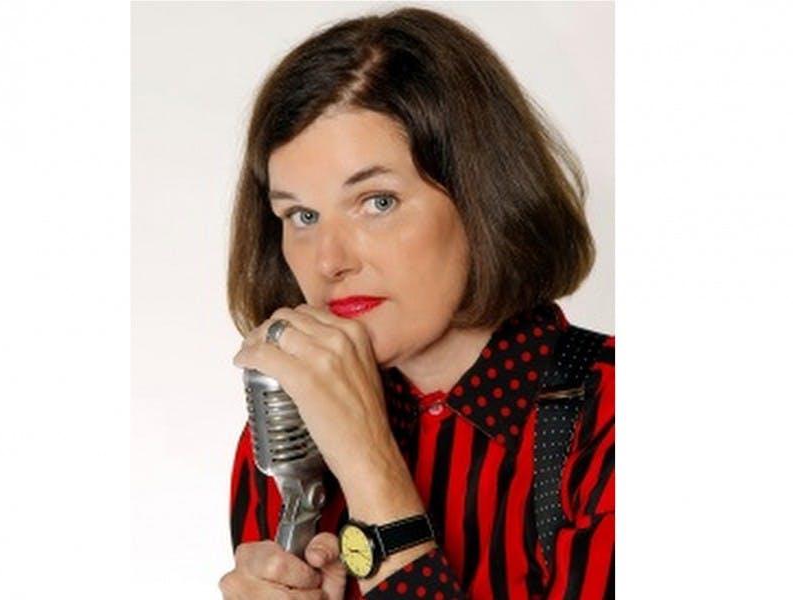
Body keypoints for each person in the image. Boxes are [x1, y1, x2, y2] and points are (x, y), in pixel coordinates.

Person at [221, 7, 613, 599]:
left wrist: (369, 467)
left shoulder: (611, 420)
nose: (329, 261)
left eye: (377, 202)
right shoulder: (285, 444)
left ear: (481, 197)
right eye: (301, 215)